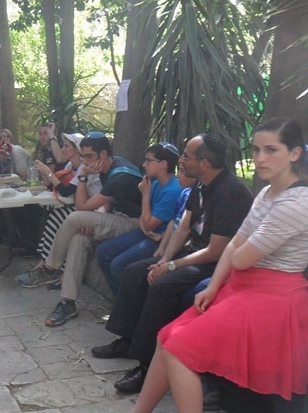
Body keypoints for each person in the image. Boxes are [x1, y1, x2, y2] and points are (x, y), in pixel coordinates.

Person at [97, 117, 308, 413]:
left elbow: (239, 256)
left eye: (271, 150)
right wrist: (214, 287)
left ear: (295, 153)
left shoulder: (295, 203)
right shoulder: (268, 193)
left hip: (274, 299)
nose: (260, 158)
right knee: (167, 337)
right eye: (256, 149)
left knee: (179, 349)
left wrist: (234, 252)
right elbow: (233, 249)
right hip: (243, 287)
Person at [91, 133, 253, 394]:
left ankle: (147, 366)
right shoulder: (200, 185)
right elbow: (183, 227)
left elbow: (216, 250)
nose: (181, 160)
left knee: (163, 284)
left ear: (204, 163)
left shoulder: (230, 192)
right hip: (194, 253)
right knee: (136, 271)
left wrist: (172, 267)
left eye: (187, 156)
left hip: (217, 263)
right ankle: (128, 339)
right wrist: (164, 259)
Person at [14, 133, 143, 326]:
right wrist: (94, 220)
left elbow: (81, 207)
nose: (84, 161)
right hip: (116, 219)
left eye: (89, 156)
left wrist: (82, 176)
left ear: (103, 154)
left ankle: (50, 267)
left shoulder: (120, 175)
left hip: (134, 224)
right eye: (82, 156)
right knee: (78, 240)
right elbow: (107, 203)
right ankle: (68, 303)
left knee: (74, 217)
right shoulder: (106, 167)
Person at [95, 142, 183, 295]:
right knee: (103, 251)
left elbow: (148, 224)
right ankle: (120, 300)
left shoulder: (172, 190)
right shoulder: (154, 183)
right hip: (149, 234)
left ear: (163, 164)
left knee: (118, 265)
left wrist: (145, 195)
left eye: (149, 160)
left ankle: (131, 303)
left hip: (160, 240)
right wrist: (146, 228)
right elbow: (144, 220)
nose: (144, 165)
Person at [16, 133, 103, 287]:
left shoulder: (84, 167)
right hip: (83, 208)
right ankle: (44, 265)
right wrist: (45, 173)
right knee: (56, 216)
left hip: (95, 211)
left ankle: (52, 270)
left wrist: (47, 171)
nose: (63, 149)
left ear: (77, 149)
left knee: (59, 218)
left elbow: (66, 190)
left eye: (67, 146)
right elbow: (55, 187)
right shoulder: (71, 166)